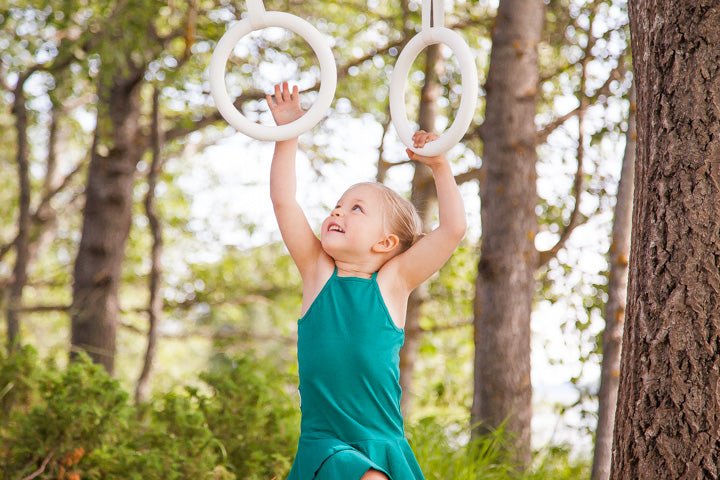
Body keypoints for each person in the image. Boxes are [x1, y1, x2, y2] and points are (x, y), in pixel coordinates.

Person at [267, 82, 466, 480]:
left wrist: (440, 165)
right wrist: (288, 134)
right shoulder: (317, 273)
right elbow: (284, 201)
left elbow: (453, 230)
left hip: (383, 440)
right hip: (324, 442)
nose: (337, 213)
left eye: (355, 209)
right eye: (337, 205)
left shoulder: (393, 283)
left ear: (386, 242)